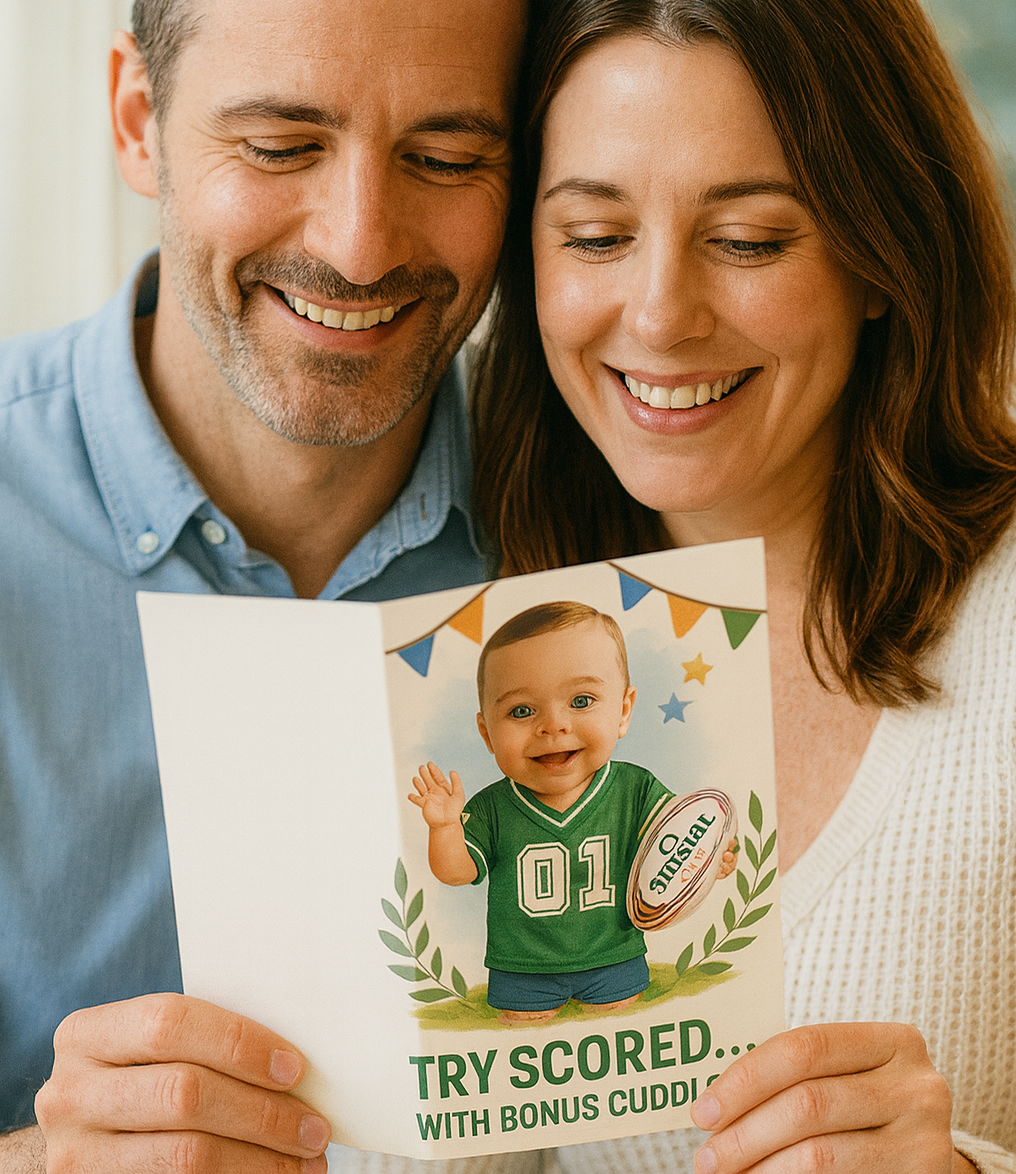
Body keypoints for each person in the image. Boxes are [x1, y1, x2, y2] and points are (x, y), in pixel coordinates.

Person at [472, 1, 1016, 1174]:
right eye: (594, 236)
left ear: (884, 255)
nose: (661, 316)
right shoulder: (466, 612)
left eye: (752, 240)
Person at [0, 0, 529, 1168]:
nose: (358, 246)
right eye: (280, 147)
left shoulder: (610, 519)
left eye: (445, 159)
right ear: (140, 123)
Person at [411, 601, 672, 1023]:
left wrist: (710, 855)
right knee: (521, 1034)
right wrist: (443, 827)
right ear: (487, 733)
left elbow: (679, 837)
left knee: (622, 1026)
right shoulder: (493, 807)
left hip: (613, 953)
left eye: (582, 700)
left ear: (623, 710)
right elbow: (457, 872)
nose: (553, 725)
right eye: (521, 711)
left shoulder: (635, 788)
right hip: (522, 967)